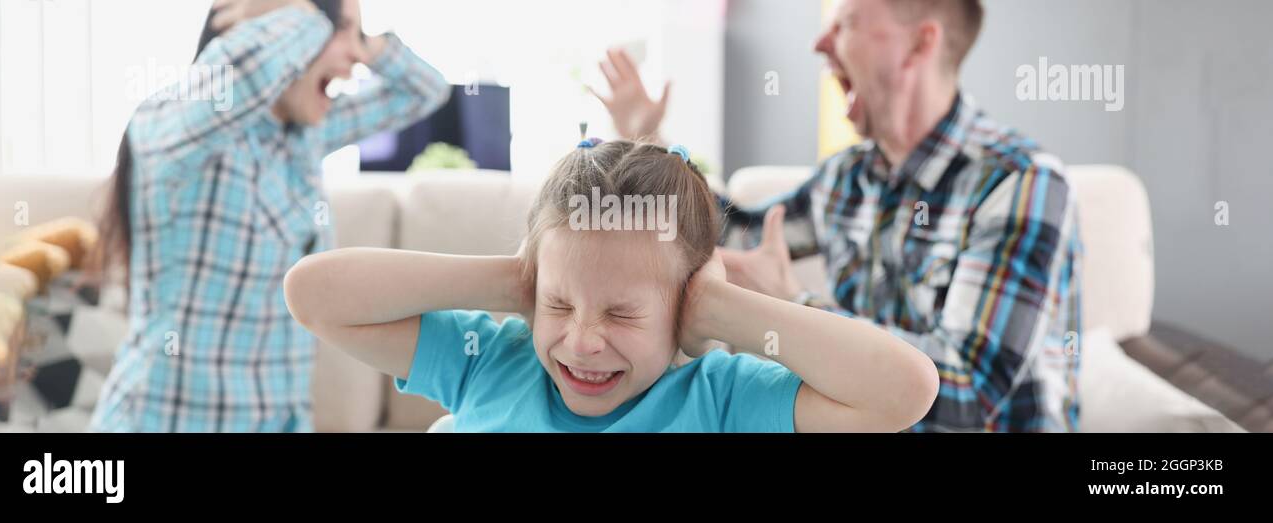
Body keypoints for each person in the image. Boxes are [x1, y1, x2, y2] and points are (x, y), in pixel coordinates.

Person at [593, 0, 1081, 432]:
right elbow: (734, 235)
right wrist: (652, 140)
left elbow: (967, 396)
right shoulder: (847, 176)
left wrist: (793, 305)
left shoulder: (1020, 182)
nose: (818, 43)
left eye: (844, 24)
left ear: (918, 44)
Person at [282, 139, 939, 432]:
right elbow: (311, 294)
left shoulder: (720, 399)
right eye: (559, 304)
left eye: (623, 313)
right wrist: (514, 280)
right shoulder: (492, 363)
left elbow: (906, 390)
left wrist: (717, 307)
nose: (582, 340)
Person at [90, 0, 450, 432]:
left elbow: (425, 89)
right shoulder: (177, 125)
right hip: (168, 419)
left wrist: (359, 37)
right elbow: (250, 71)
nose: (356, 55)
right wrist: (301, 11)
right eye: (341, 31)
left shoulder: (303, 136)